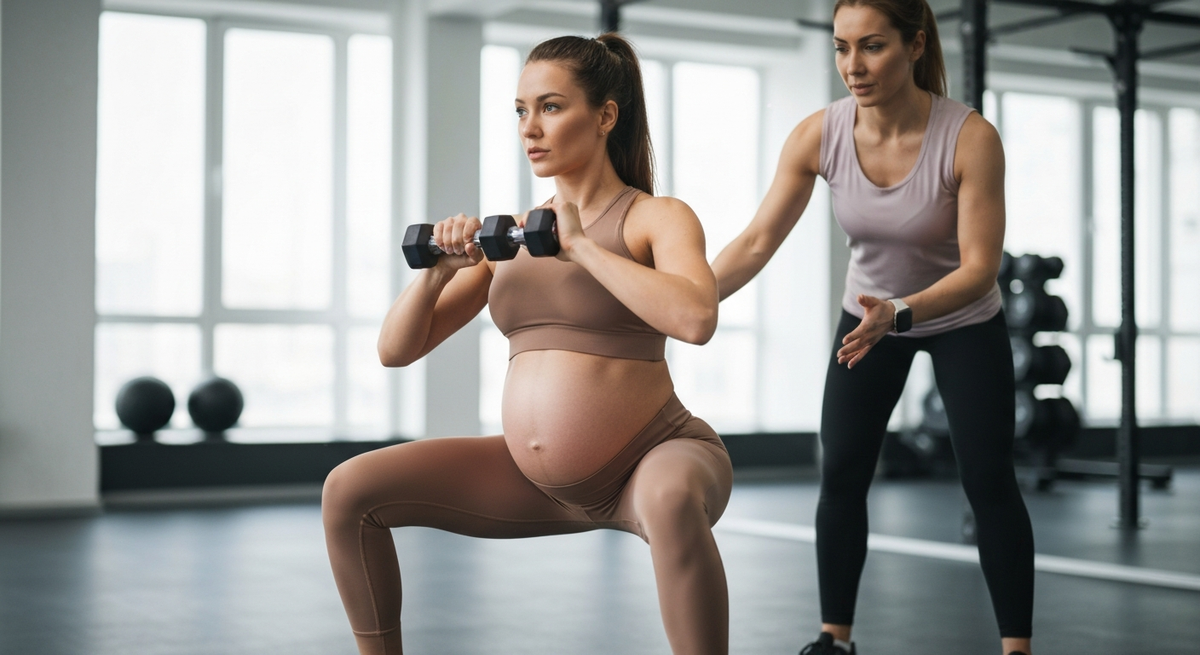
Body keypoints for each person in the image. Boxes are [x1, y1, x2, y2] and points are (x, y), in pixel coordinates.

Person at [322, 33, 733, 655]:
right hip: (534, 480)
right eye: (520, 110)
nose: (530, 128)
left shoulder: (656, 217)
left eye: (550, 106)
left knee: (672, 499)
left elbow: (696, 318)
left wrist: (585, 247)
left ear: (604, 116)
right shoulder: (513, 237)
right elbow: (395, 350)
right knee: (349, 491)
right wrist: (438, 274)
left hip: (654, 457)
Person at [710, 1, 1035, 654]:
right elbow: (754, 242)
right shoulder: (819, 134)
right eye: (841, 47)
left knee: (988, 477)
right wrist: (686, 300)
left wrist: (902, 312)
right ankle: (835, 637)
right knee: (844, 470)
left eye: (873, 46)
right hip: (868, 320)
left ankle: (1017, 647)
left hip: (961, 318)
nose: (851, 66)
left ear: (915, 46)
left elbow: (979, 269)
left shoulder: (969, 138)